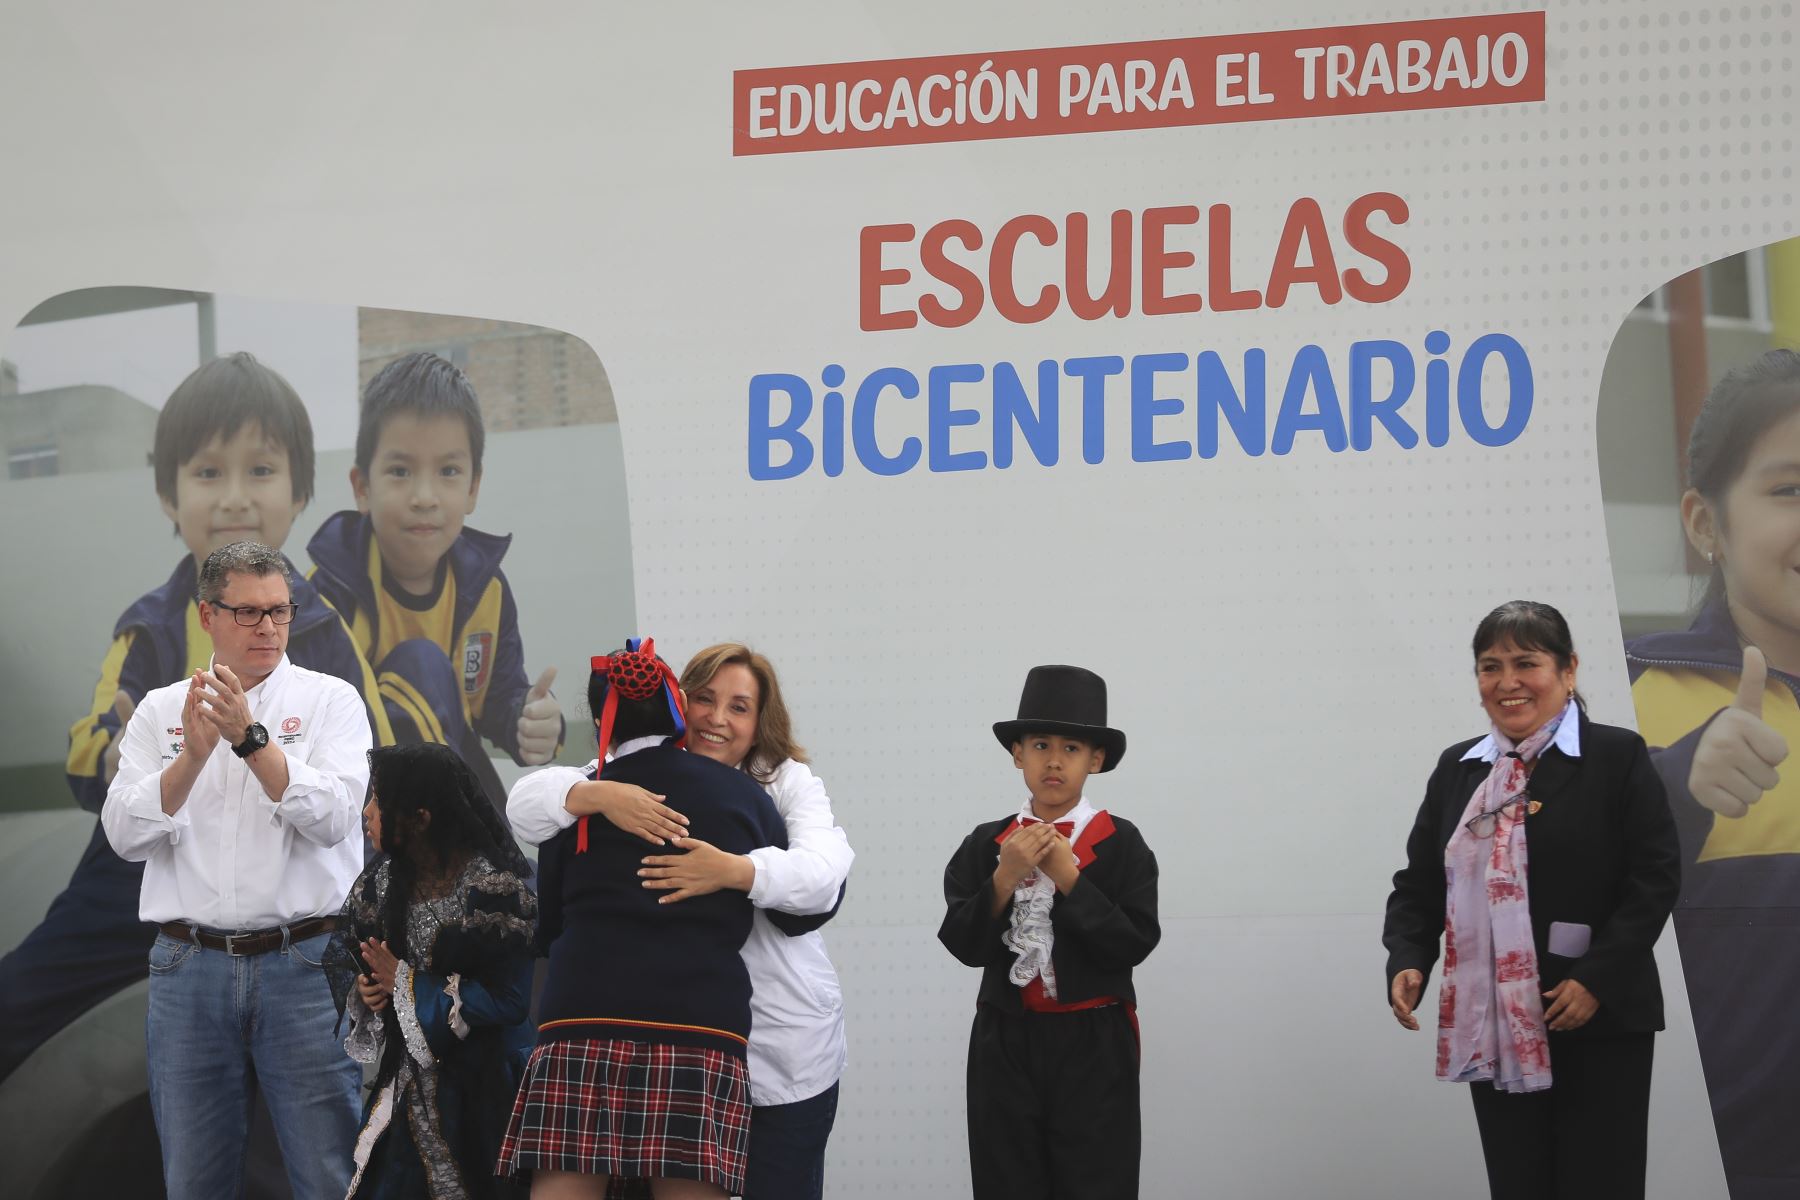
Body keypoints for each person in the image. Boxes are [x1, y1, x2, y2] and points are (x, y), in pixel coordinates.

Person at [0, 351, 388, 1085]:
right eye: (209, 473)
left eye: (261, 471)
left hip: (288, 876)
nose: (235, 496)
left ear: (300, 490)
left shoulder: (327, 632)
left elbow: (373, 768)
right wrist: (116, 753)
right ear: (167, 495)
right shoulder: (149, 626)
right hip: (153, 869)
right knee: (19, 997)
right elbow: (91, 750)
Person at [507, 643, 852, 1200]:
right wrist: (595, 793)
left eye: (739, 707)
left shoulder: (786, 782)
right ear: (678, 703)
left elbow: (821, 881)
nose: (718, 718)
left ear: (762, 721)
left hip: (778, 1054)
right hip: (695, 1040)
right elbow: (526, 803)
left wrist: (732, 870)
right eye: (706, 700)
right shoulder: (612, 781)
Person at [99, 541, 370, 1199]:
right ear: (207, 617)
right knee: (194, 1180)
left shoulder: (331, 700)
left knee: (329, 1175)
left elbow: (336, 818)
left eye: (279, 611)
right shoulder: (163, 712)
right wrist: (189, 759)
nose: (268, 628)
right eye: (248, 613)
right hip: (187, 969)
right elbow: (124, 836)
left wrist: (252, 741)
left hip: (303, 964)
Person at [1384, 600, 1681, 1200]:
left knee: (1601, 1182)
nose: (1508, 682)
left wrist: (1596, 977)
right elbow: (1418, 884)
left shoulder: (1616, 756)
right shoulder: (1460, 769)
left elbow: (1654, 878)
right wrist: (1410, 957)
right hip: (1493, 1018)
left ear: (1568, 670)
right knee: (1519, 1184)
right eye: (1490, 667)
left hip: (1598, 1015)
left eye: (1527, 663)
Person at [1623, 346, 1800, 1198]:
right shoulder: (1629, 703)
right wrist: (1678, 787)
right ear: (1704, 523)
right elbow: (1533, 900)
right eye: (1790, 489)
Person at [938, 664, 1160, 1200]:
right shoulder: (986, 844)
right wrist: (1003, 878)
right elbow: (962, 943)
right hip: (1004, 1042)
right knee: (1005, 1177)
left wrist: (1068, 879)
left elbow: (1133, 942)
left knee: (1096, 1179)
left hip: (1094, 1041)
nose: (1054, 761)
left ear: (1097, 759)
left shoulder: (1122, 843)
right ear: (1017, 754)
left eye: (1072, 748)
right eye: (1039, 745)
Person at [309, 349, 563, 813]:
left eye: (447, 472)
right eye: (401, 471)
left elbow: (497, 698)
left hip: (451, 787)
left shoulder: (486, 589)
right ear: (362, 486)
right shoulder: (324, 599)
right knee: (420, 665)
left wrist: (528, 721)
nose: (424, 497)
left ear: (472, 487)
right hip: (361, 807)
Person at [326, 741, 537, 1200]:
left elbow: (510, 1001)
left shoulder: (492, 891)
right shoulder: (381, 884)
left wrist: (405, 982)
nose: (367, 813)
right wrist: (371, 992)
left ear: (420, 818)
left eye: (379, 801)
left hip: (487, 1096)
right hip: (409, 1088)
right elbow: (370, 969)